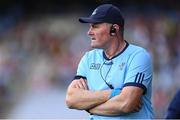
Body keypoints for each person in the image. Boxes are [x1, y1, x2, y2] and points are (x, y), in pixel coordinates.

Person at [66, 4, 154, 119]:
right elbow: (71, 99)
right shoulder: (88, 58)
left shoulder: (139, 56)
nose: (89, 32)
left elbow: (126, 104)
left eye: (95, 26)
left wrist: (89, 108)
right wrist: (115, 93)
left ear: (114, 29)